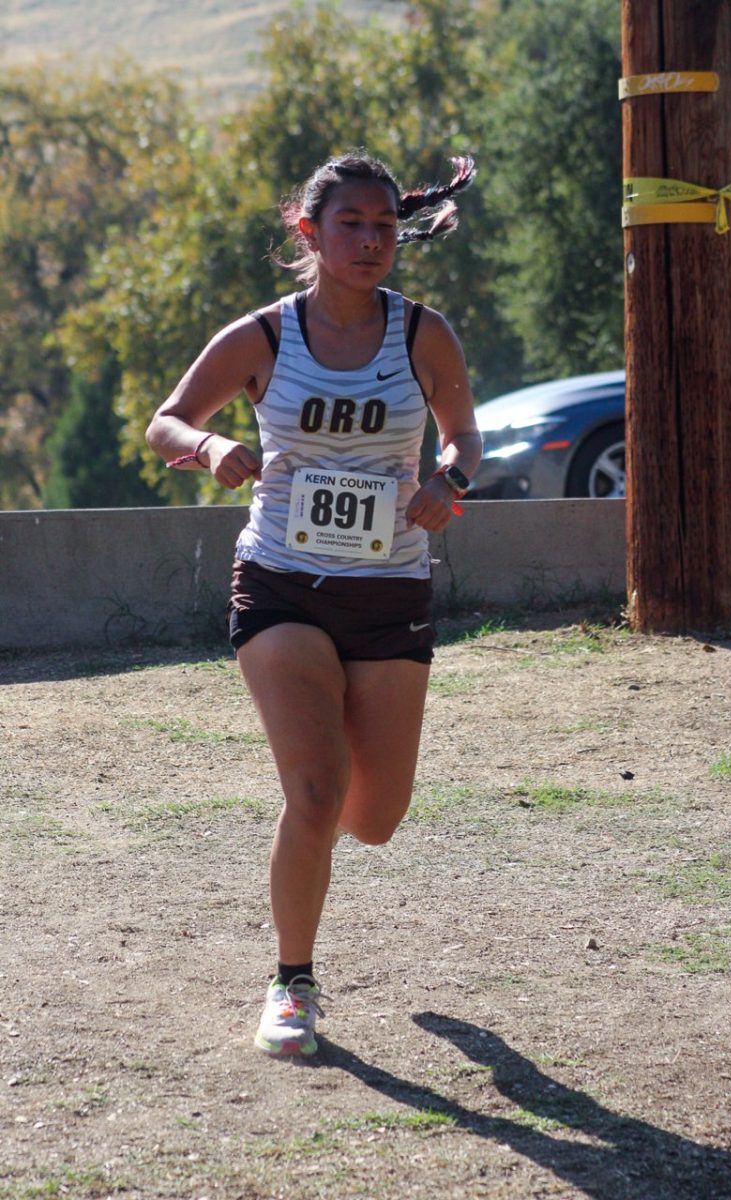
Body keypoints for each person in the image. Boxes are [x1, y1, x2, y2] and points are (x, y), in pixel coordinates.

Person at [146, 150, 482, 1057]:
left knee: (373, 819)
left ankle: (317, 824)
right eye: (351, 225)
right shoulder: (263, 334)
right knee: (316, 789)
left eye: (384, 227)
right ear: (310, 232)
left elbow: (464, 442)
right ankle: (292, 983)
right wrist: (211, 448)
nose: (371, 242)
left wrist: (446, 483)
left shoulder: (424, 336)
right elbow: (166, 419)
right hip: (282, 583)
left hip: (390, 589)